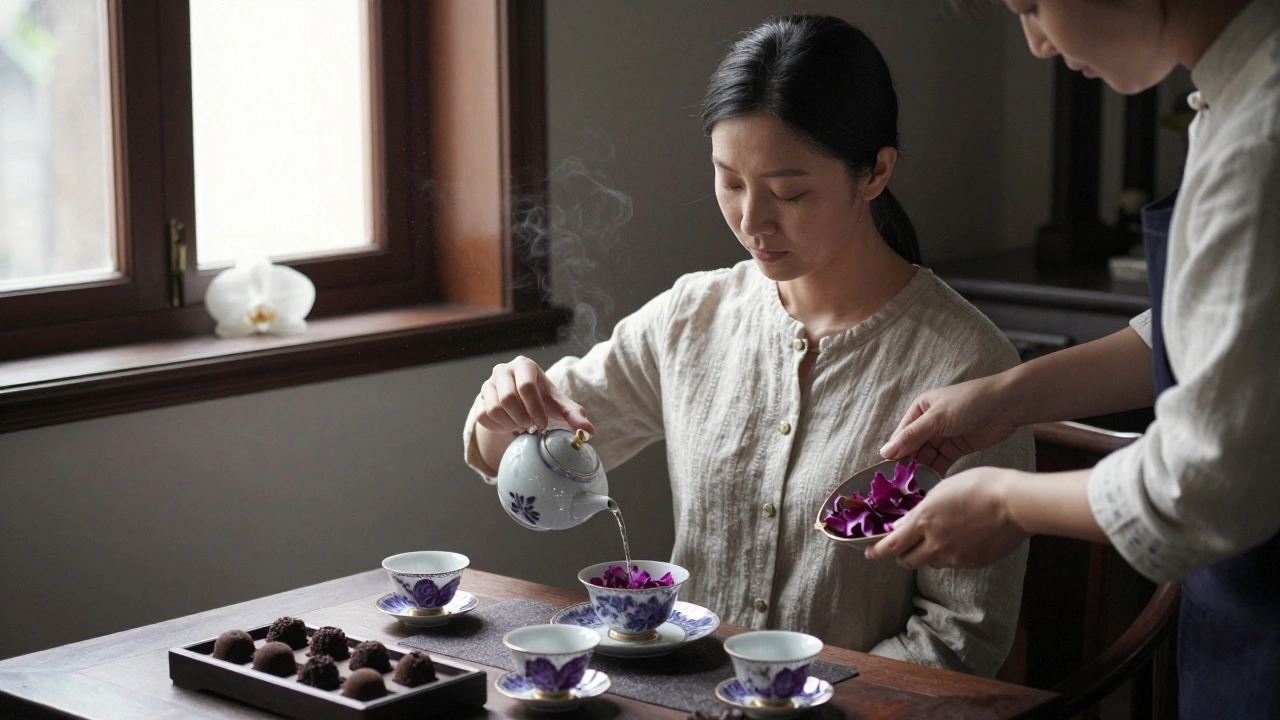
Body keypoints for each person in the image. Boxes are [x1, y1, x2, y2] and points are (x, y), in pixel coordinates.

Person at [461, 14, 1034, 676]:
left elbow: (963, 636)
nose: (752, 221)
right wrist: (498, 417)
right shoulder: (692, 318)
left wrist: (799, 700)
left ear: (875, 172)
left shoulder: (970, 368)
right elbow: (536, 452)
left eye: (789, 192)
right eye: (730, 181)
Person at [867, 0, 1280, 713]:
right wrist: (1007, 396)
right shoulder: (1228, 98)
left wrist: (1008, 502)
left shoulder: (1260, 139)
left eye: (1031, 7)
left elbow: (1200, 486)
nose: (1035, 45)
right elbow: (1206, 335)